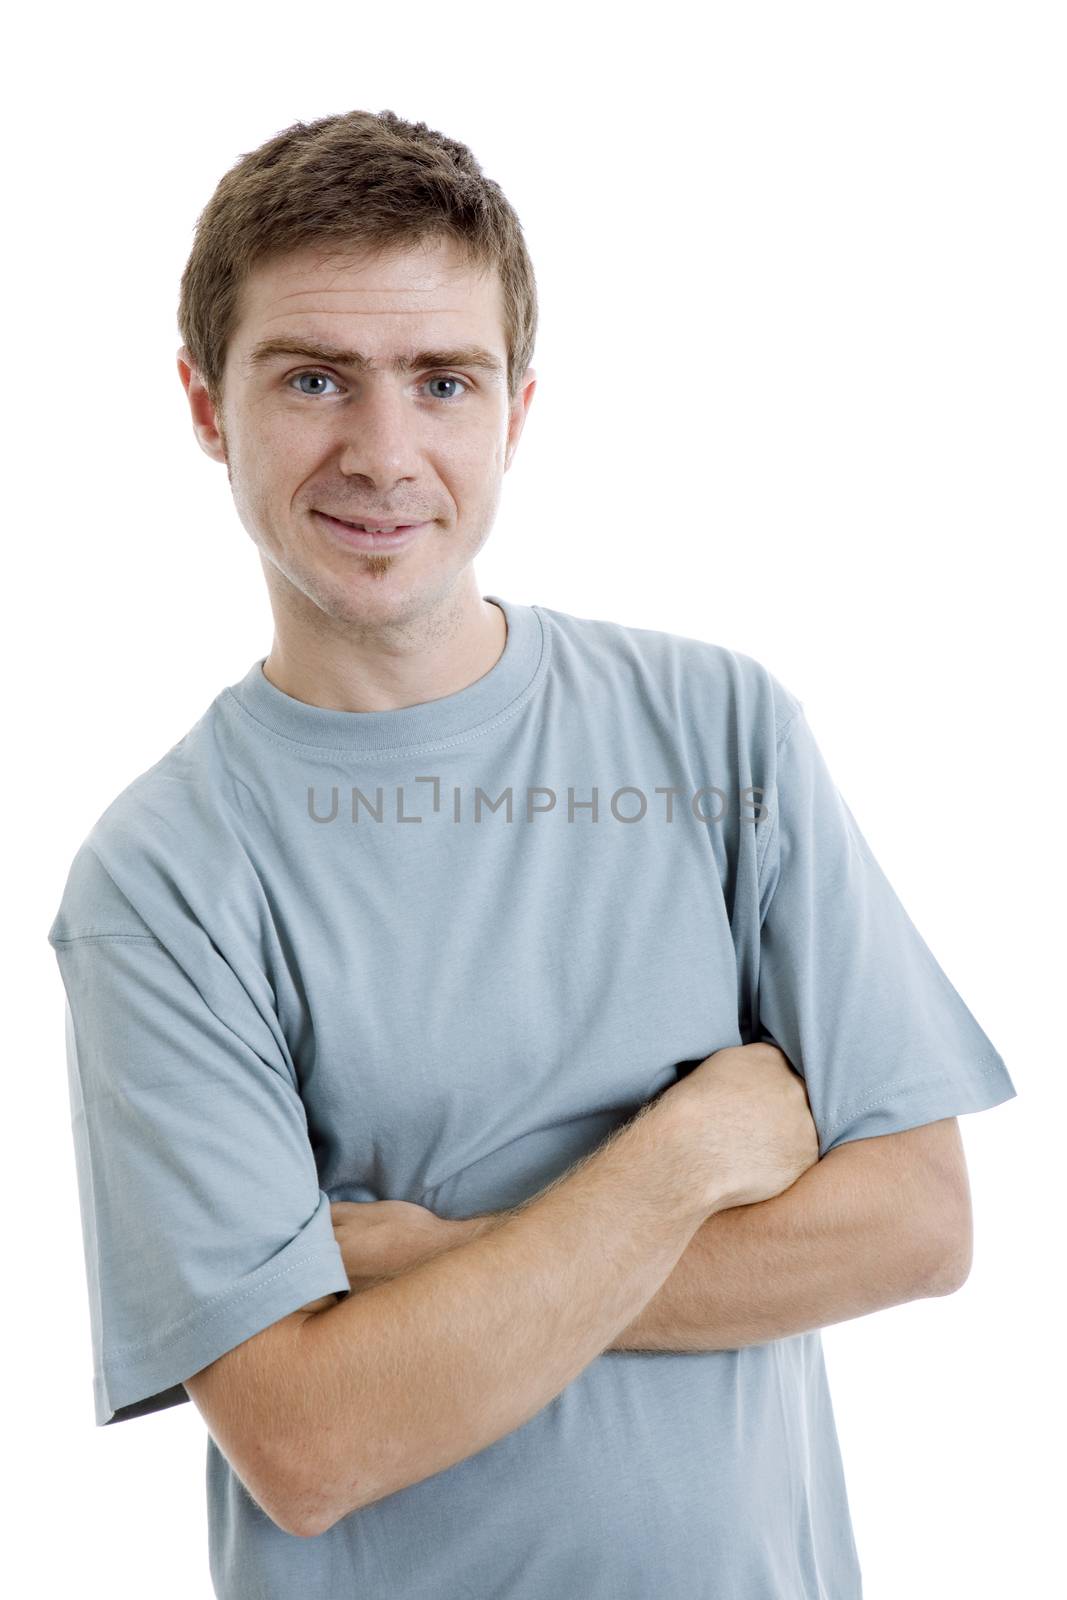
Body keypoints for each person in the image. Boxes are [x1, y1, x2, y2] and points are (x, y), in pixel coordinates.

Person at [46, 108, 1017, 1600]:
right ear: (202, 401)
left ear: (517, 407)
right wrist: (682, 1161)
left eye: (444, 380)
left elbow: (915, 1226)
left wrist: (435, 1259)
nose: (385, 453)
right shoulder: (165, 879)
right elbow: (307, 1442)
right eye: (313, 378)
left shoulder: (716, 732)